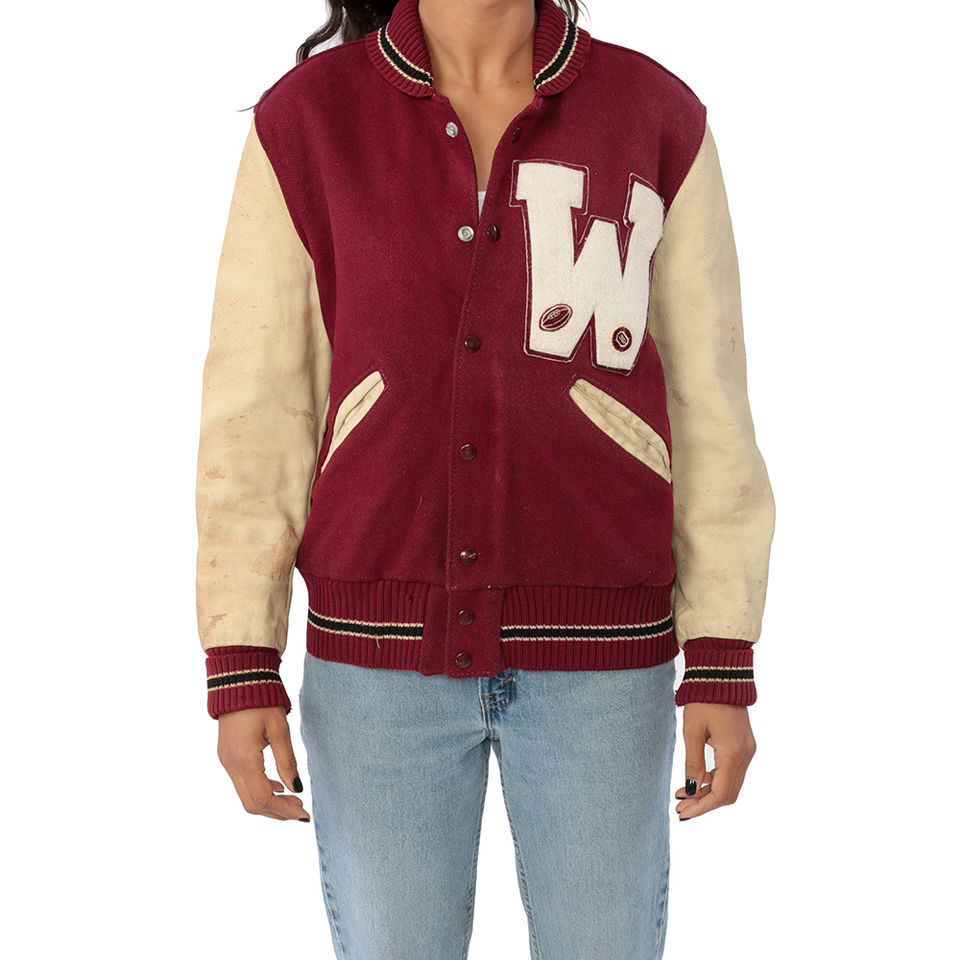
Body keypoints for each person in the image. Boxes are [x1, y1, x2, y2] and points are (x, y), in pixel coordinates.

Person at [194, 1, 776, 957]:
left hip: (606, 662)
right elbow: (258, 407)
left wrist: (722, 651)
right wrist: (241, 658)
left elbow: (710, 407)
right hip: (376, 663)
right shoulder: (307, 123)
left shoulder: (654, 115)